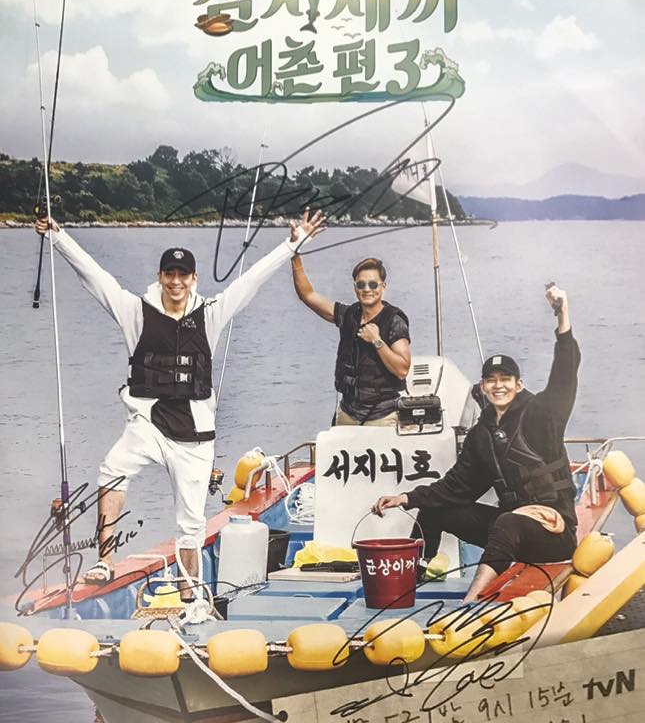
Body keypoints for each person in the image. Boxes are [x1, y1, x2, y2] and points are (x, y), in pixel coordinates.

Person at [35, 210, 324, 591]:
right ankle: (105, 561)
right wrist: (58, 237)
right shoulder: (135, 312)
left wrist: (292, 245)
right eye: (169, 274)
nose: (176, 281)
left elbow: (251, 280)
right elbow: (95, 277)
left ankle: (192, 595)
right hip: (147, 424)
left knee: (190, 525)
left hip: (193, 436)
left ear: (193, 279)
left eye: (183, 275)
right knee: (112, 470)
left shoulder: (211, 315)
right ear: (160, 276)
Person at [373, 285, 579, 601]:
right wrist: (407, 498)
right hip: (509, 532)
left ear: (519, 384)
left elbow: (564, 376)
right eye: (491, 380)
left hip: (554, 531)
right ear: (482, 386)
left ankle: (470, 603)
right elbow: (456, 487)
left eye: (505, 379)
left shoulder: (541, 416)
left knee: (508, 522)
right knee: (435, 509)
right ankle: (412, 582)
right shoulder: (482, 434)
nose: (498, 386)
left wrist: (562, 315)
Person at [291, 239, 411, 426]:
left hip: (382, 415)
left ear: (383, 286)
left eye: (373, 284)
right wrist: (294, 256)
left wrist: (377, 340)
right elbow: (308, 295)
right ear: (355, 287)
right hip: (348, 413)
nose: (367, 289)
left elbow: (402, 369)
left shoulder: (394, 321)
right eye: (361, 285)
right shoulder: (348, 315)